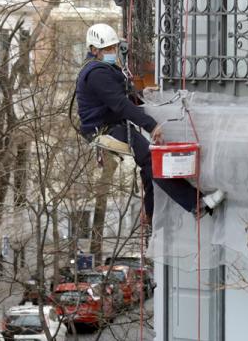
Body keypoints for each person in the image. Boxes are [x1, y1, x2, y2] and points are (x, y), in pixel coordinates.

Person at [75, 23, 224, 222]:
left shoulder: (104, 68)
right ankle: (196, 203)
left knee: (149, 163)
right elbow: (119, 104)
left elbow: (121, 98)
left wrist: (142, 97)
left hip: (109, 124)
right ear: (94, 50)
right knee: (151, 160)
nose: (112, 52)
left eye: (113, 48)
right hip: (105, 129)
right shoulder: (97, 73)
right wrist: (151, 125)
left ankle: (152, 213)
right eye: (107, 49)